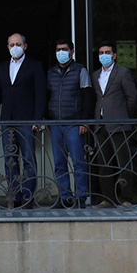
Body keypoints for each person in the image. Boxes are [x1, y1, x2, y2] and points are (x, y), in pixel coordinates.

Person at [0, 32, 45, 208]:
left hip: (27, 120)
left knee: (29, 158)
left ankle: (27, 197)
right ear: (7, 47)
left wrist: (37, 119)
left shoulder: (35, 66)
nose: (15, 48)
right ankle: (14, 196)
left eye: (18, 44)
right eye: (12, 45)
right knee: (10, 159)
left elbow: (40, 95)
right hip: (7, 120)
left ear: (25, 46)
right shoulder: (2, 67)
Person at [46, 38, 94, 209]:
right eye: (58, 49)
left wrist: (85, 121)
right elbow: (47, 97)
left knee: (78, 162)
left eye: (65, 49)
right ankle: (65, 197)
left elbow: (87, 98)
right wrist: (46, 120)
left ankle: (81, 197)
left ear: (72, 52)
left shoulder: (80, 70)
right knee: (59, 164)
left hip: (74, 123)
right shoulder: (51, 72)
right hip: (55, 124)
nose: (61, 53)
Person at [91, 40, 137, 208]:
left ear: (114, 55)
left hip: (118, 124)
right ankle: (107, 199)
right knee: (103, 163)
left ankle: (126, 198)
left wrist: (122, 115)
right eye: (101, 53)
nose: (104, 55)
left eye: (107, 52)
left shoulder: (123, 73)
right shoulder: (95, 75)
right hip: (100, 124)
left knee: (123, 161)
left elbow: (132, 98)